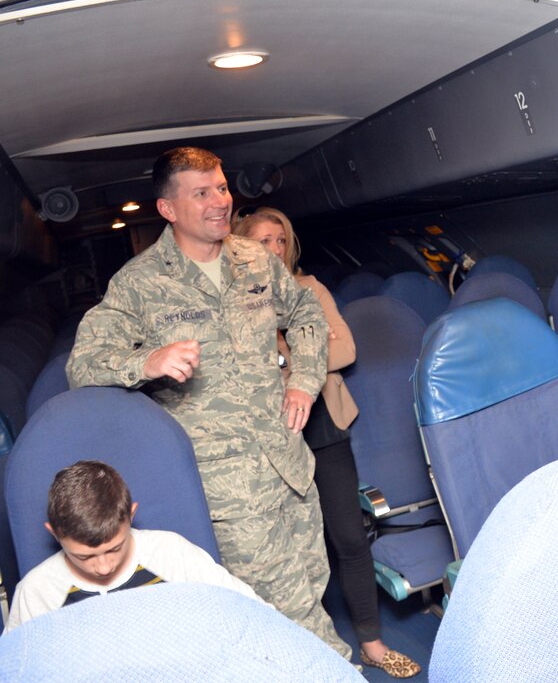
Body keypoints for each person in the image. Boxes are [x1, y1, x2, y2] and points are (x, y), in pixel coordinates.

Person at [65, 146, 353, 662]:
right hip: (228, 489)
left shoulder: (255, 259)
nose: (220, 201)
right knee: (293, 618)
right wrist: (146, 362)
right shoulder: (139, 284)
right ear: (169, 209)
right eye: (202, 193)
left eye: (221, 187)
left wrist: (304, 381)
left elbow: (307, 313)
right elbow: (82, 365)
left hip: (289, 462)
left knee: (311, 587)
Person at [234, 206, 420, 678]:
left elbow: (346, 349)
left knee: (348, 537)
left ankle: (373, 644)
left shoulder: (309, 289)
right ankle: (300, 652)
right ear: (241, 247)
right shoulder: (233, 299)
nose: (273, 249)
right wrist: (307, 354)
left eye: (280, 240)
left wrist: (283, 359)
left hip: (321, 425)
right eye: (262, 241)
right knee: (288, 550)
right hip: (268, 438)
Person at [5, 460, 263, 631]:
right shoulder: (38, 591)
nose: (103, 567)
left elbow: (252, 611)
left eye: (114, 548)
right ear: (54, 533)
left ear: (132, 514)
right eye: (84, 557)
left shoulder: (171, 554)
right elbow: (19, 668)